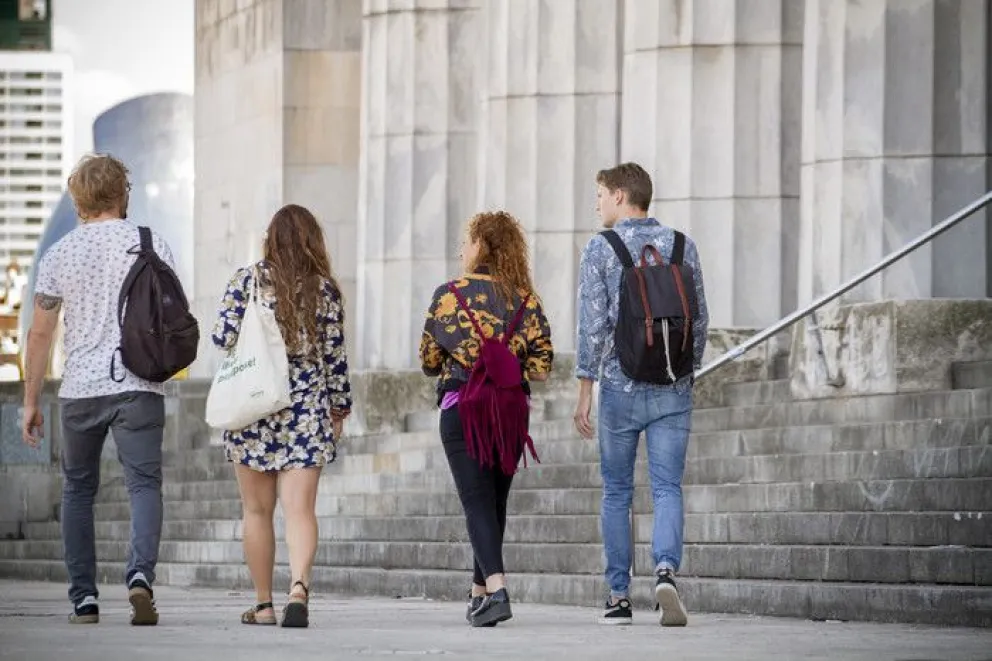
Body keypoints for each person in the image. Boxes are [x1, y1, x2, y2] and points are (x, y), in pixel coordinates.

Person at [22, 153, 178, 625]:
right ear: (122, 193)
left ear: (78, 201)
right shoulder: (152, 243)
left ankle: (84, 601)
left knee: (77, 491)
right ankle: (139, 579)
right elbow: (172, 315)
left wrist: (30, 401)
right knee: (144, 485)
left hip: (81, 388)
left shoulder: (60, 254)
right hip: (139, 382)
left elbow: (41, 334)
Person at [574, 162, 709, 627]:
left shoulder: (600, 249)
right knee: (668, 486)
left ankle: (617, 597)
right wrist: (685, 373)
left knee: (617, 491)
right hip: (673, 385)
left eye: (599, 194)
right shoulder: (680, 245)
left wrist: (584, 388)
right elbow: (701, 319)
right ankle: (667, 570)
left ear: (619, 196)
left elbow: (592, 326)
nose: (595, 203)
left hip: (620, 387)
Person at [212, 204, 351, 629]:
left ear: (270, 239)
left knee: (256, 512)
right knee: (299, 511)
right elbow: (335, 357)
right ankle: (299, 589)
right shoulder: (324, 290)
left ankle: (263, 604)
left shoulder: (246, 281)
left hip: (254, 408)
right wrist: (339, 406)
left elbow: (221, 338)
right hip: (306, 410)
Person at [419, 210, 554, 627]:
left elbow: (427, 360)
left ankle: (497, 590)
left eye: (467, 240)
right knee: (494, 502)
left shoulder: (448, 295)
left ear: (480, 245)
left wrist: (468, 357)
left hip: (464, 408)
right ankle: (480, 593)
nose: (462, 249)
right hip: (511, 412)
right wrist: (504, 362)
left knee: (476, 500)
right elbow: (542, 365)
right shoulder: (526, 300)